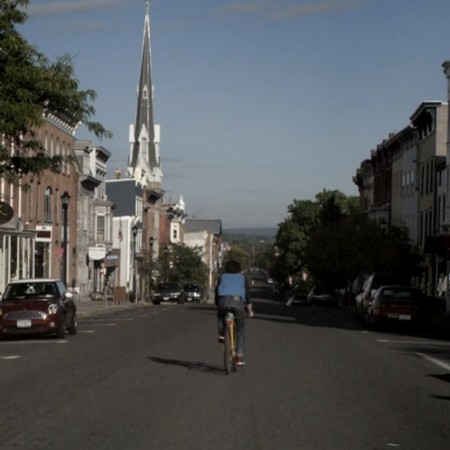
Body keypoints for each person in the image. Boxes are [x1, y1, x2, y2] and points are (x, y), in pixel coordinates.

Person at [215, 259, 254, 366]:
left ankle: (222, 332)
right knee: (240, 330)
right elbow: (247, 296)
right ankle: (240, 355)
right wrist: (250, 311)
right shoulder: (242, 278)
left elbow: (216, 293)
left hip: (224, 301)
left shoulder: (222, 277)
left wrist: (217, 305)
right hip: (238, 303)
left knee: (220, 314)